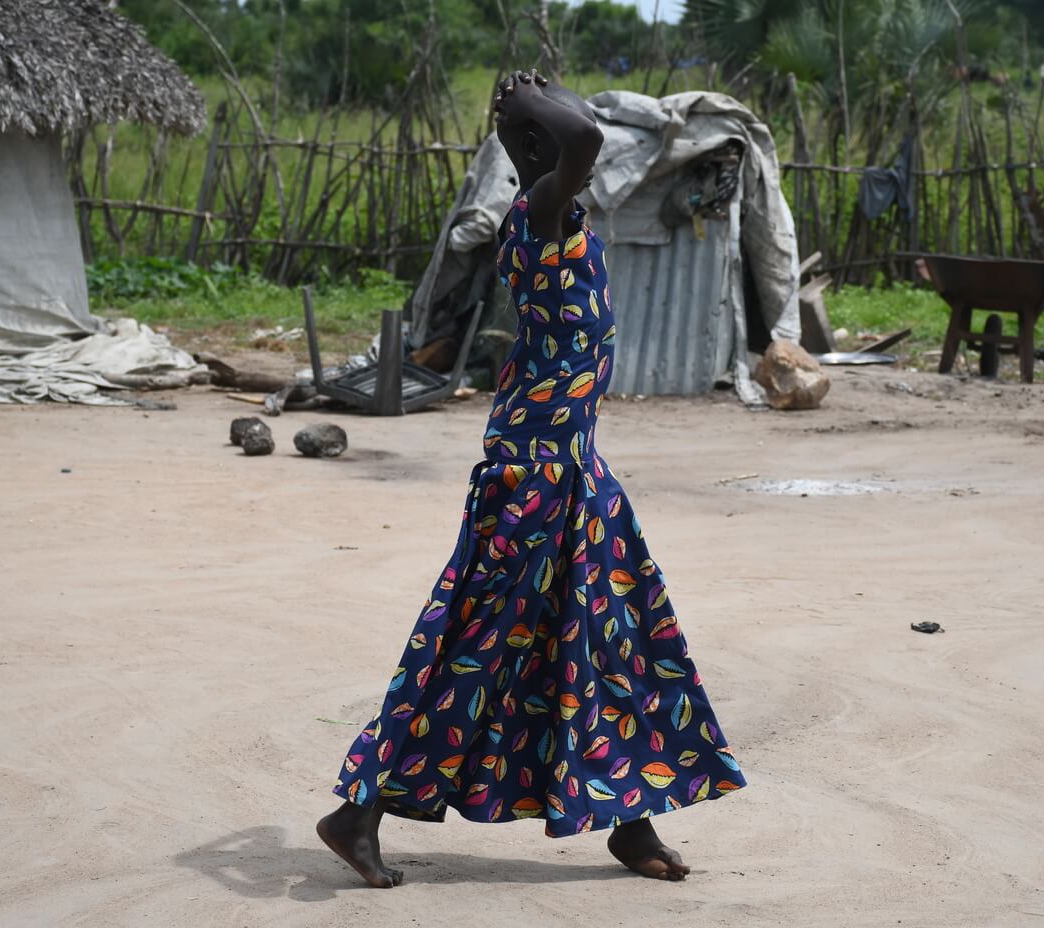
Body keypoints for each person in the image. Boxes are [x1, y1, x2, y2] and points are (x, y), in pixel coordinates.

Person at [318, 70, 745, 887]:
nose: (582, 146)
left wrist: (533, 110)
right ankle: (357, 811)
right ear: (542, 154)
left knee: (611, 643)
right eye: (558, 135)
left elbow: (576, 136)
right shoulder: (537, 216)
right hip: (531, 474)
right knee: (472, 653)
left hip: (575, 472)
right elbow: (584, 136)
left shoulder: (564, 219)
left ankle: (630, 817)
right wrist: (521, 102)